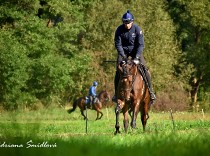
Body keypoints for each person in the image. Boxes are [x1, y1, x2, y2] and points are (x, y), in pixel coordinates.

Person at [112, 10, 156, 103]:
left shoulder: (137, 29)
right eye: (125, 22)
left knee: (145, 69)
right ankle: (116, 94)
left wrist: (136, 58)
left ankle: (151, 91)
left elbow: (141, 45)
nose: (126, 25)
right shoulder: (119, 30)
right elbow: (118, 44)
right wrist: (123, 57)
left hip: (136, 52)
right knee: (118, 70)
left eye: (128, 23)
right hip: (123, 52)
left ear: (132, 22)